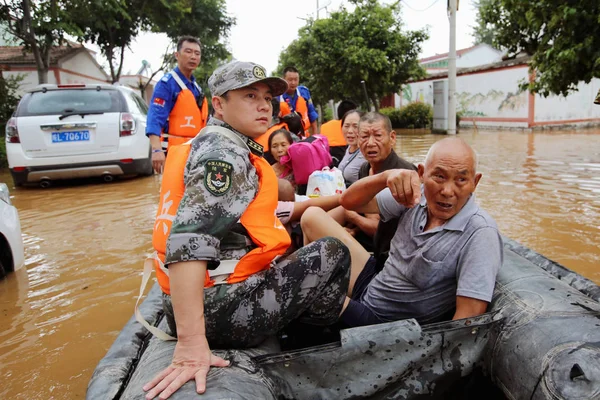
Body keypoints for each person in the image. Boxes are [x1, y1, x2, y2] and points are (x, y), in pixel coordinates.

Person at [143, 61, 351, 400]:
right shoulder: (225, 156)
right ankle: (307, 348)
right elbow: (187, 243)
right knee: (332, 252)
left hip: (205, 300)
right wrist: (192, 344)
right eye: (250, 95)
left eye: (267, 98)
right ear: (220, 105)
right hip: (220, 312)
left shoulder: (213, 142)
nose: (263, 106)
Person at [301, 137, 503, 328]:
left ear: (475, 183)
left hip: (384, 323)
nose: (448, 191)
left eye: (461, 180)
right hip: (376, 283)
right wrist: (385, 177)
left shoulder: (480, 233)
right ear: (422, 173)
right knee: (311, 216)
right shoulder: (416, 195)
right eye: (439, 177)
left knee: (304, 283)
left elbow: (468, 317)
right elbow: (349, 202)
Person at [330, 112, 416, 251]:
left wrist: (351, 216)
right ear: (358, 140)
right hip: (370, 236)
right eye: (364, 136)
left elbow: (387, 229)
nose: (370, 143)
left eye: (377, 136)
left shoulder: (403, 174)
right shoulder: (365, 169)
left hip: (390, 250)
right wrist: (355, 230)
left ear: (392, 138)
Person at [145, 36, 209, 173]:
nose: (193, 57)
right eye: (188, 51)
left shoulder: (196, 87)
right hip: (173, 152)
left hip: (194, 153)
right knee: (174, 193)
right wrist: (156, 150)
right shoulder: (166, 84)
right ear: (177, 55)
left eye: (197, 53)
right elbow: (154, 118)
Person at [279, 66, 319, 136]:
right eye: (290, 80)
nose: (293, 83)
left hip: (304, 135)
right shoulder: (277, 96)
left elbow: (312, 114)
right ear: (283, 79)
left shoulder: (304, 92)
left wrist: (316, 136)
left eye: (296, 79)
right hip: (286, 136)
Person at [336, 110, 365, 186]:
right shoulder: (349, 147)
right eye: (346, 126)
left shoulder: (367, 151)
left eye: (355, 126)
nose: (350, 131)